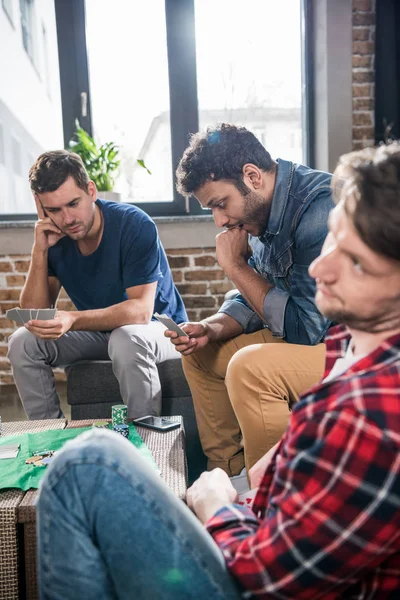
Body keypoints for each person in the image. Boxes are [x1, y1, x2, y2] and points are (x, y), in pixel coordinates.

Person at [37, 142, 400, 598]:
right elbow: (258, 298)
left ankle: (215, 478)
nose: (322, 267)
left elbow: (267, 576)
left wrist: (216, 505)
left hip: (246, 562)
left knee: (85, 464)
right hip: (252, 511)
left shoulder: (371, 413)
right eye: (332, 240)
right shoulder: (352, 349)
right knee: (100, 458)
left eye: (355, 260)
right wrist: (212, 328)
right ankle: (224, 466)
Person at [168, 123, 334, 476]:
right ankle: (227, 478)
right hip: (309, 332)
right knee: (200, 355)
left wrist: (234, 265)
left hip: (352, 346)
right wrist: (210, 329)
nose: (220, 220)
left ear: (252, 176)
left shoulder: (319, 209)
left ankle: (270, 497)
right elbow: (258, 295)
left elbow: (306, 329)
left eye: (220, 204)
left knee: (250, 368)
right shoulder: (259, 214)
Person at [7, 150, 186, 420]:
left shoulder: (134, 224)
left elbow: (140, 312)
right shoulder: (55, 235)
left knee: (126, 338)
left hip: (159, 331)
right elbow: (33, 314)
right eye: (54, 209)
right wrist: (39, 250)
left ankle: (147, 440)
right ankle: (47, 442)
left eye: (73, 203)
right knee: (23, 342)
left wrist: (73, 318)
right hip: (103, 334)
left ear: (91, 191)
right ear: (41, 207)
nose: (67, 219)